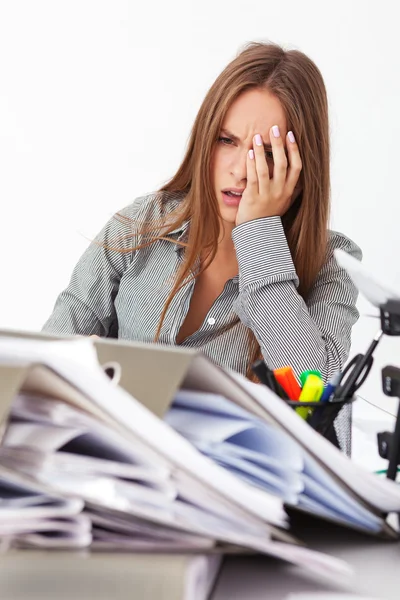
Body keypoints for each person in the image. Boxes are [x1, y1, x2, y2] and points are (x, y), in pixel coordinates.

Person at [42, 41, 361, 450]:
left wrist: (259, 231)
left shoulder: (333, 265)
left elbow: (314, 402)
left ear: (300, 164)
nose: (240, 170)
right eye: (227, 140)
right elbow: (45, 368)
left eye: (266, 152)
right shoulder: (141, 225)